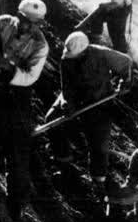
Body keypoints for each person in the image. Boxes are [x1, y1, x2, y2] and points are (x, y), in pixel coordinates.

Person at [0, 0, 49, 219]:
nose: (28, 26)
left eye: (34, 23)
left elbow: (30, 76)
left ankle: (16, 203)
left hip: (16, 94)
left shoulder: (41, 45)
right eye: (25, 20)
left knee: (16, 148)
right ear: (19, 15)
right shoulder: (4, 21)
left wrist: (11, 72)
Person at [45, 31, 132, 186]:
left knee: (98, 144)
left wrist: (124, 81)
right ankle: (64, 158)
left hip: (100, 100)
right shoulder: (66, 59)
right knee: (51, 120)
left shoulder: (102, 54)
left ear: (85, 51)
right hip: (75, 98)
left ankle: (99, 179)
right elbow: (66, 87)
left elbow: (126, 63)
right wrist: (67, 103)